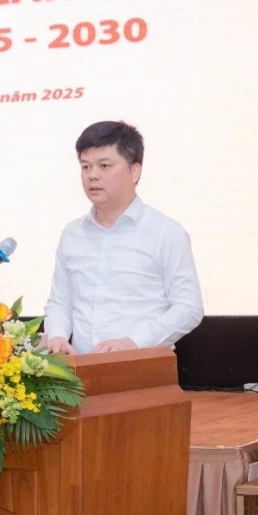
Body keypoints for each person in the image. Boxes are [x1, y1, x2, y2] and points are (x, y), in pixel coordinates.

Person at [42, 121, 203, 354]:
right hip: (79, 369)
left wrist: (135, 342)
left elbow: (189, 308)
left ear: (134, 171)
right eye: (85, 167)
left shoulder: (165, 232)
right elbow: (61, 302)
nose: (92, 175)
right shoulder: (72, 234)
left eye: (104, 165)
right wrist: (57, 336)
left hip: (141, 365)